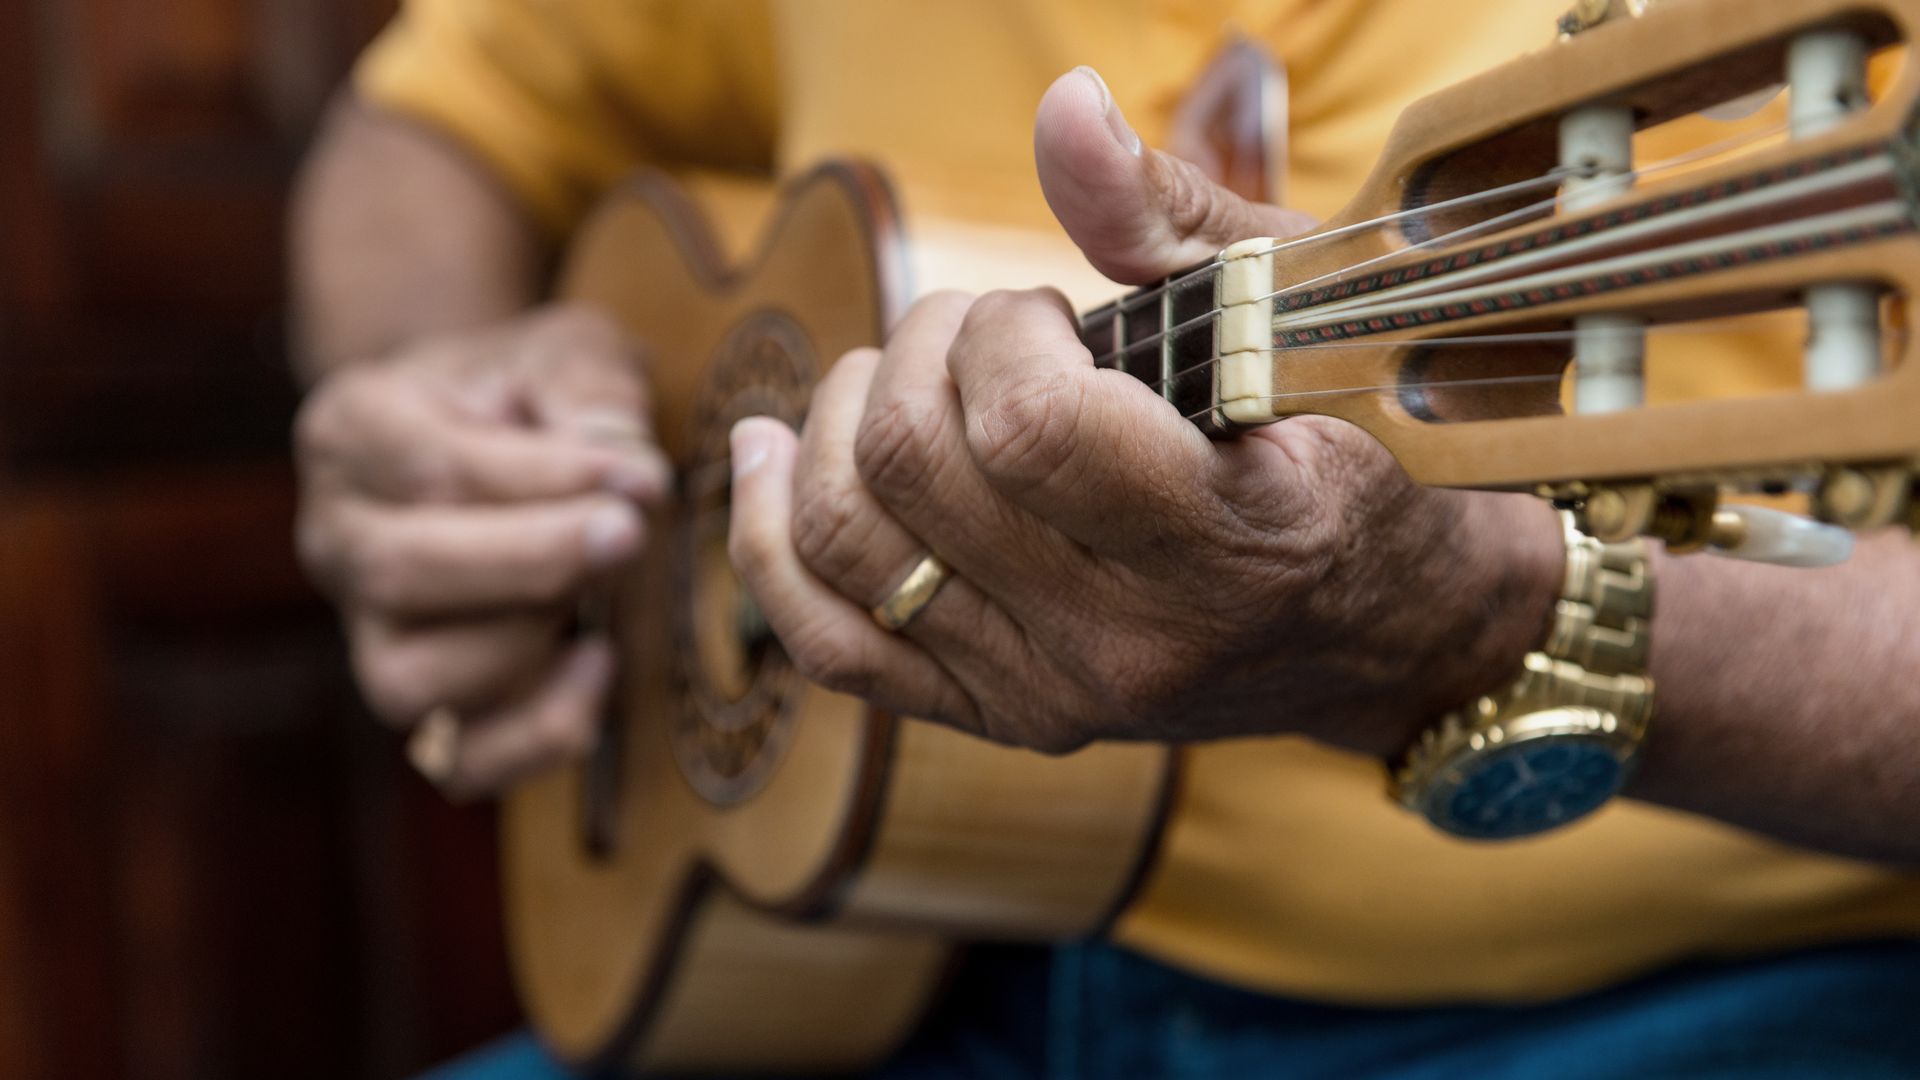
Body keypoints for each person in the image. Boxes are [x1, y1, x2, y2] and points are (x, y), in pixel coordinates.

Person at [290, 2, 1920, 1076]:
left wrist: (1481, 609)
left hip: (1682, 998)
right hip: (895, 972)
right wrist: (442, 410)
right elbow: (436, 128)